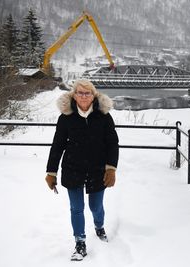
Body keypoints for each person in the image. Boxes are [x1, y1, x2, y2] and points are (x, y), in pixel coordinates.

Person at [45, 79, 119, 261]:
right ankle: (80, 242)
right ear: (74, 95)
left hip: (97, 169)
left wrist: (111, 168)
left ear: (93, 95)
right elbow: (58, 145)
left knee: (96, 206)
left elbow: (112, 144)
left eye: (87, 93)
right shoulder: (66, 117)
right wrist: (51, 172)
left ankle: (99, 226)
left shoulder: (103, 116)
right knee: (76, 208)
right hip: (73, 169)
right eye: (80, 93)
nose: (84, 96)